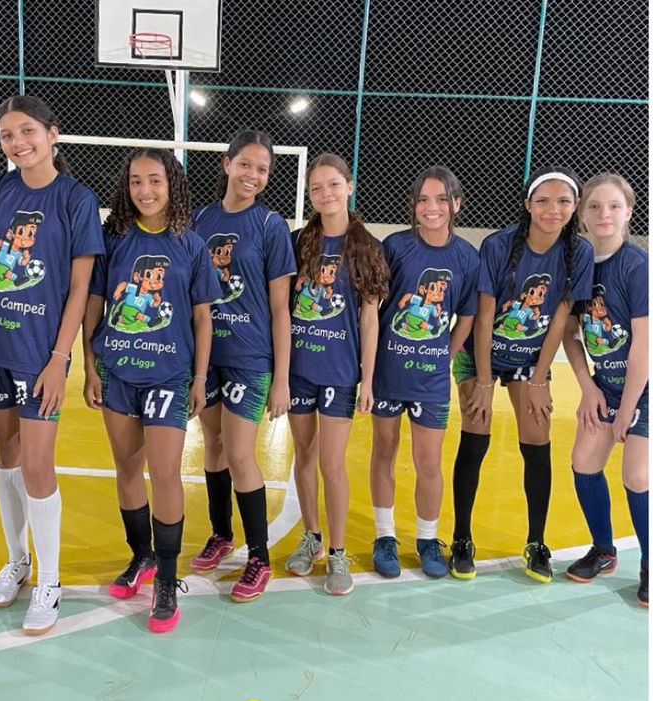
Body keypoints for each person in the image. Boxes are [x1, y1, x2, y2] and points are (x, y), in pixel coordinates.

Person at [0, 94, 104, 637]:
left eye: (27, 131)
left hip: (39, 355)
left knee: (38, 465)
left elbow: (80, 288)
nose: (18, 143)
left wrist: (59, 358)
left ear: (53, 134)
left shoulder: (75, 198)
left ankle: (50, 579)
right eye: (7, 135)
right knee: (5, 455)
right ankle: (18, 560)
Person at [81, 147, 215, 632]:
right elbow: (92, 307)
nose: (145, 190)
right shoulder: (113, 238)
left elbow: (203, 317)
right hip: (118, 374)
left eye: (155, 180)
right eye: (136, 181)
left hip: (168, 376)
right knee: (127, 468)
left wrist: (200, 377)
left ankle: (167, 576)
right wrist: (92, 368)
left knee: (164, 473)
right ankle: (143, 557)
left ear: (171, 183)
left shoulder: (191, 245)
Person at [454, 167, 590, 582]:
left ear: (574, 207)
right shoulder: (498, 245)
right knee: (476, 435)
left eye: (564, 201)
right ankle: (462, 537)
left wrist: (537, 379)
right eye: (544, 201)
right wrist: (481, 380)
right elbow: (483, 316)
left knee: (537, 439)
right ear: (528, 205)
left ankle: (536, 541)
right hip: (481, 353)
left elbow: (561, 321)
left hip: (530, 357)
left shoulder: (578, 253)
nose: (553, 209)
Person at [189, 128, 296, 601]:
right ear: (227, 164)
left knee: (239, 454)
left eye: (262, 169)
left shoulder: (270, 226)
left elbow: (280, 309)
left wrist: (282, 379)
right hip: (208, 357)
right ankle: (221, 534)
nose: (253, 175)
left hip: (251, 359)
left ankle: (258, 556)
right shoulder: (199, 220)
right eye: (246, 164)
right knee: (212, 445)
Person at [282, 154, 387, 595]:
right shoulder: (297, 242)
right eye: (316, 188)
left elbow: (369, 318)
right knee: (303, 457)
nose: (325, 194)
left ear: (348, 186)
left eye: (332, 185)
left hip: (341, 373)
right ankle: (313, 538)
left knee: (331, 463)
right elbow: (282, 309)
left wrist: (368, 377)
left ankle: (339, 552)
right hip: (300, 371)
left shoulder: (365, 247)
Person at [370, 166, 481, 578]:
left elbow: (466, 317)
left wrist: (445, 355)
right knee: (384, 451)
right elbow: (374, 308)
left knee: (429, 462)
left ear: (457, 204)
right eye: (422, 199)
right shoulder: (395, 246)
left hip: (431, 380)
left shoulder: (467, 258)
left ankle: (428, 538)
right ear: (413, 206)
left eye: (440, 199)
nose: (431, 208)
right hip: (387, 372)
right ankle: (385, 536)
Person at [559, 174, 648, 606]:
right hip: (606, 387)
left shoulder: (638, 267)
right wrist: (588, 387)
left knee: (636, 474)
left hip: (643, 388)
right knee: (583, 463)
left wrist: (627, 412)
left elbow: (643, 351)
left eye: (613, 206)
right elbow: (570, 335)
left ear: (629, 212)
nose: (603, 214)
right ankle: (604, 550)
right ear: (582, 215)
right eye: (594, 207)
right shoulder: (578, 266)